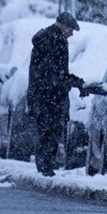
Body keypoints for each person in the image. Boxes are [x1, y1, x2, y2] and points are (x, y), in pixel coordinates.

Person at [27, 12, 85, 177]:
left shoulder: (48, 40)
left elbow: (55, 73)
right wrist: (76, 82)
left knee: (46, 132)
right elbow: (56, 74)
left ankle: (45, 167)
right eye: (71, 29)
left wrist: (75, 82)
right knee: (50, 132)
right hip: (49, 97)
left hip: (44, 96)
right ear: (64, 26)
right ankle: (46, 168)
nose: (72, 34)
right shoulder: (54, 41)